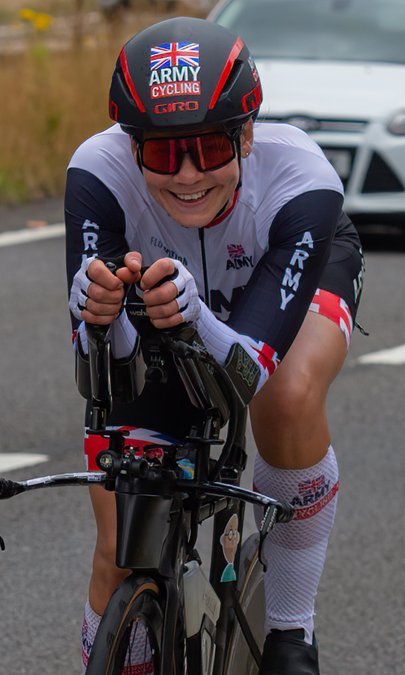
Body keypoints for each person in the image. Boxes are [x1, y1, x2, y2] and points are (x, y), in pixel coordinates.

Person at [64, 16, 364, 675]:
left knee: (285, 397)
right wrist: (101, 316)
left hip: (276, 286)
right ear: (131, 144)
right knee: (118, 548)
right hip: (174, 305)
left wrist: (194, 315)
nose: (191, 175)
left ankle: (291, 630)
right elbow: (100, 366)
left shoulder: (301, 179)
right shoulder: (97, 171)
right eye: (166, 154)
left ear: (247, 133)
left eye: (211, 148)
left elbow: (249, 371)